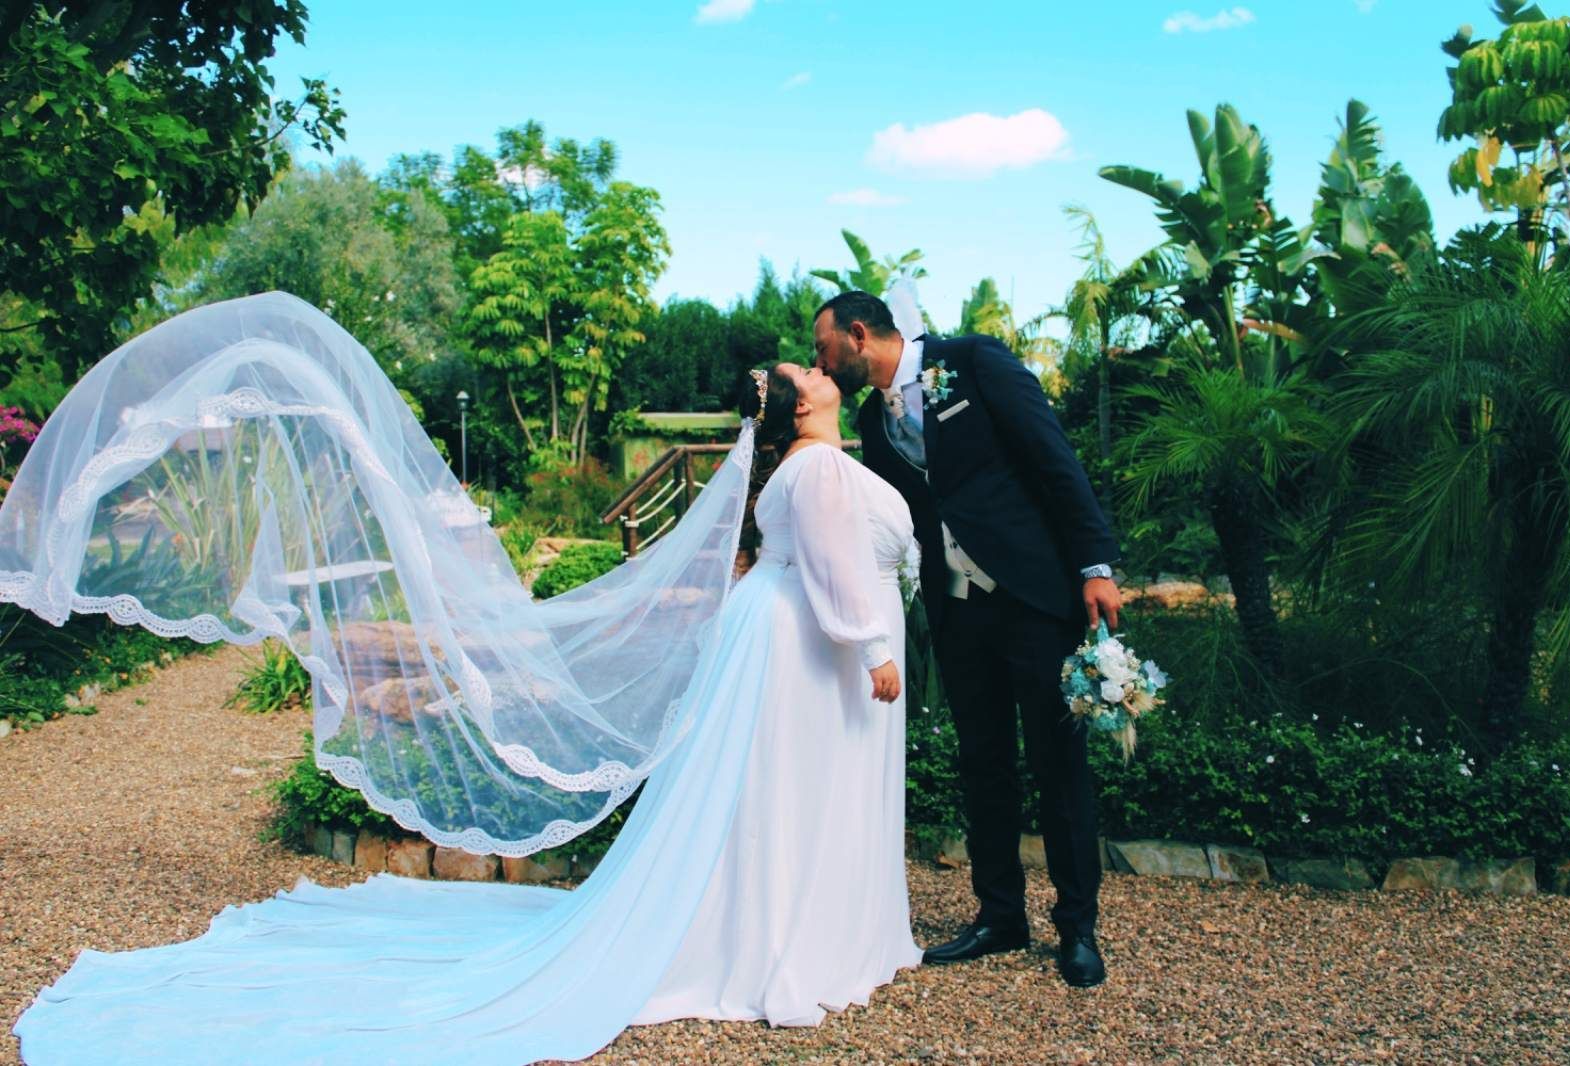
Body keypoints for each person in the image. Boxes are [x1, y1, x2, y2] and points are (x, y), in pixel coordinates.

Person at [4, 294, 920, 1064]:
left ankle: (784, 926)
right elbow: (842, 574)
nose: (819, 369)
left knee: (777, 799)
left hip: (778, 641)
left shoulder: (810, 468)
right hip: (812, 643)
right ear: (802, 409)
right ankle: (795, 938)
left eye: (816, 361)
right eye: (811, 372)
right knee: (795, 796)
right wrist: (875, 644)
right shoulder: (823, 473)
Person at [812, 287, 1121, 988]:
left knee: (1057, 764)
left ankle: (1077, 928)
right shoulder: (868, 416)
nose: (819, 365)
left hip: (1033, 596)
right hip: (958, 612)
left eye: (823, 349)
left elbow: (1051, 456)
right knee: (984, 763)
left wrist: (1094, 564)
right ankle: (1000, 917)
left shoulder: (974, 362)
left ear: (859, 335)